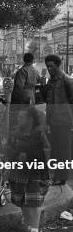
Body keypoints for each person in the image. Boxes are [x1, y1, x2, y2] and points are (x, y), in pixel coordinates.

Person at [6, 106, 51, 232]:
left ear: (30, 119)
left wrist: (30, 155)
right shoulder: (14, 134)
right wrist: (16, 155)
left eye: (22, 117)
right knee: (23, 201)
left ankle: (35, 229)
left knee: (34, 200)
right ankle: (28, 227)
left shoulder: (39, 134)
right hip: (19, 172)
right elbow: (8, 150)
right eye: (18, 117)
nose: (18, 120)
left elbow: (47, 151)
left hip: (36, 172)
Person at [44, 54, 73, 186]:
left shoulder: (66, 80)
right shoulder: (50, 81)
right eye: (47, 66)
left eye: (51, 66)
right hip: (53, 121)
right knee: (55, 149)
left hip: (64, 121)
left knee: (63, 150)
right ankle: (57, 175)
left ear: (58, 65)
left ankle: (62, 177)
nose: (49, 68)